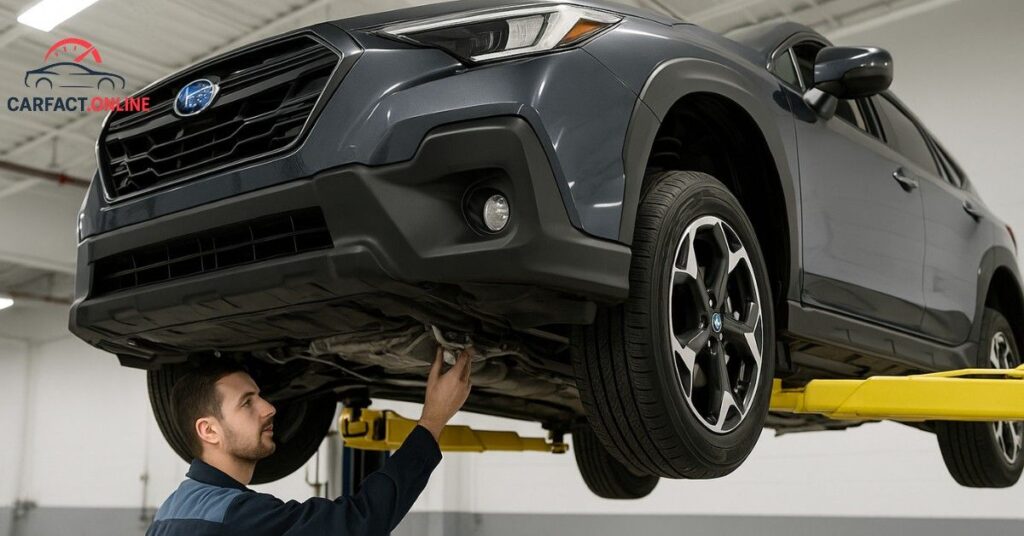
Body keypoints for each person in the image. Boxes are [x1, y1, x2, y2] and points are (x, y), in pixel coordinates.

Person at [146, 346, 472, 536]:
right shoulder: (235, 515)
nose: (270, 408)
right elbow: (361, 521)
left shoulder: (170, 511)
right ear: (209, 431)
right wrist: (432, 420)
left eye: (260, 396)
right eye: (247, 402)